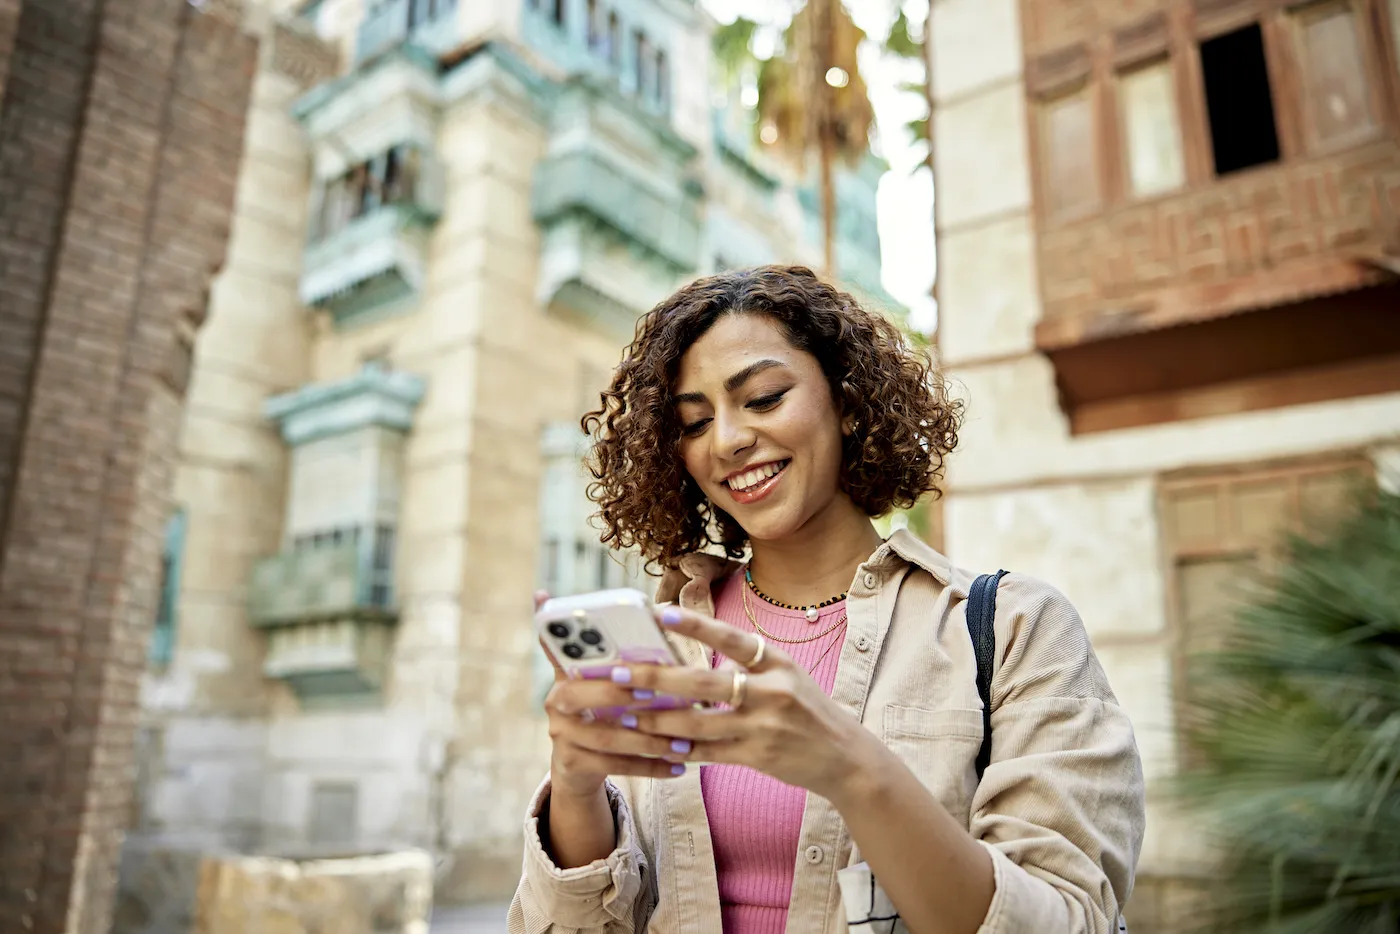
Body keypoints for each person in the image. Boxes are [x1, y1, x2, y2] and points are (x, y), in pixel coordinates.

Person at [509, 265, 1145, 934]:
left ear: (846, 401)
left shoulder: (1012, 629)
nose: (727, 440)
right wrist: (576, 791)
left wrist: (851, 768)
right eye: (694, 424)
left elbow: (1073, 919)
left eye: (763, 397)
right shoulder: (666, 644)